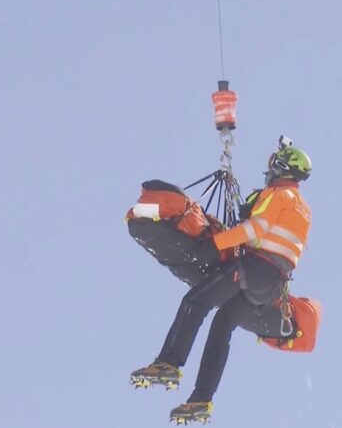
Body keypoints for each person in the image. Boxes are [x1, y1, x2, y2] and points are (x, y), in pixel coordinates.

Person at [130, 144, 313, 423]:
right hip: (272, 284)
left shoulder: (279, 194)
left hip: (254, 268)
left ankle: (169, 363)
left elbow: (255, 230)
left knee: (196, 301)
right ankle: (201, 400)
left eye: (274, 162)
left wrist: (214, 246)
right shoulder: (301, 206)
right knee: (222, 326)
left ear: (282, 166)